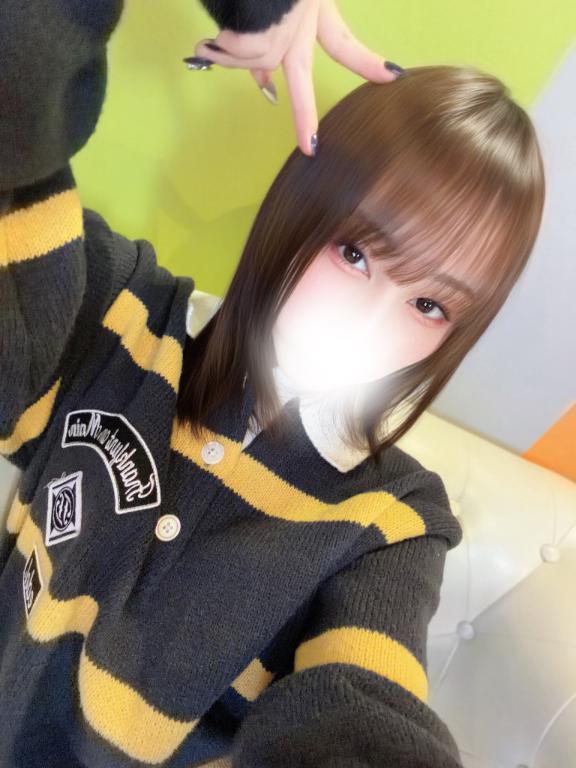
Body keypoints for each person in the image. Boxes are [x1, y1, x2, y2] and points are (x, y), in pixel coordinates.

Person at [0, 2, 545, 768]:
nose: (370, 323)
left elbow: (362, 709)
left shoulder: (391, 523)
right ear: (301, 204)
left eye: (430, 306)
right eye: (355, 253)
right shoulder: (119, 312)